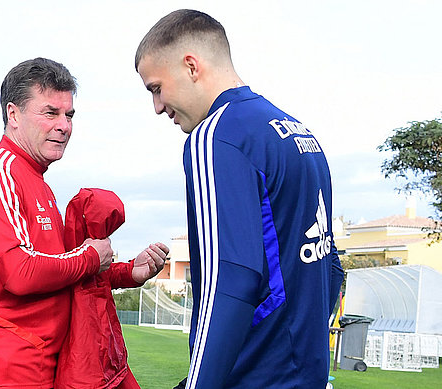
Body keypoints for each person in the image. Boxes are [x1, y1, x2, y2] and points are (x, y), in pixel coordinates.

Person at [135, 10, 344, 389]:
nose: (158, 107)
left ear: (191, 66)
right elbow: (330, 267)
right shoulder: (299, 134)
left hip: (255, 378)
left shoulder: (216, 136)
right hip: (306, 374)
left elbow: (229, 282)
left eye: (156, 88)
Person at [0, 57, 167, 388]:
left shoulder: (38, 181)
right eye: (50, 112)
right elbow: (19, 272)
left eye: (69, 115)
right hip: (2, 369)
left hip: (44, 364)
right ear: (13, 115)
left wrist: (125, 273)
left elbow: (60, 268)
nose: (64, 125)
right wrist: (92, 255)